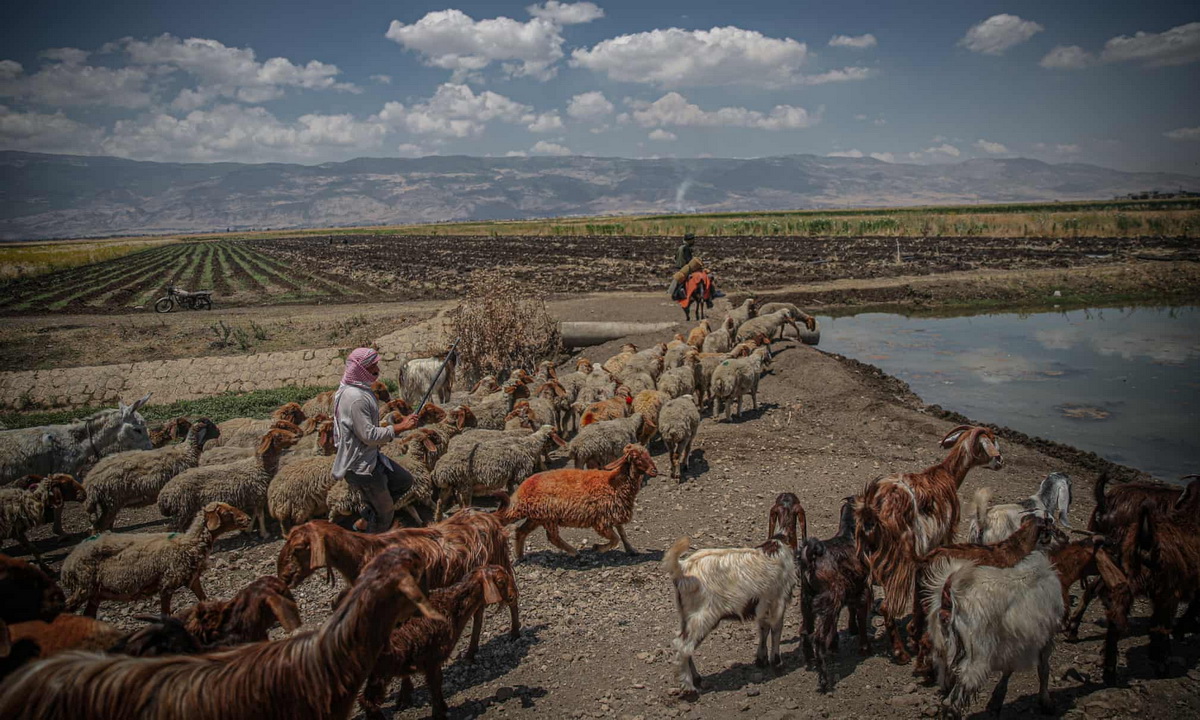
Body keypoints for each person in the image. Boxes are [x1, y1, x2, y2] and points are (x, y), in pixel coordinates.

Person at [331, 347, 419, 533]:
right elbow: (369, 436)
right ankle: (371, 547)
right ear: (361, 369)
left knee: (403, 481)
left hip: (371, 457)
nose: (377, 369)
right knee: (386, 513)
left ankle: (365, 521)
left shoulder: (357, 389)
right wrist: (400, 427)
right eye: (373, 366)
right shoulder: (356, 398)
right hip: (362, 465)